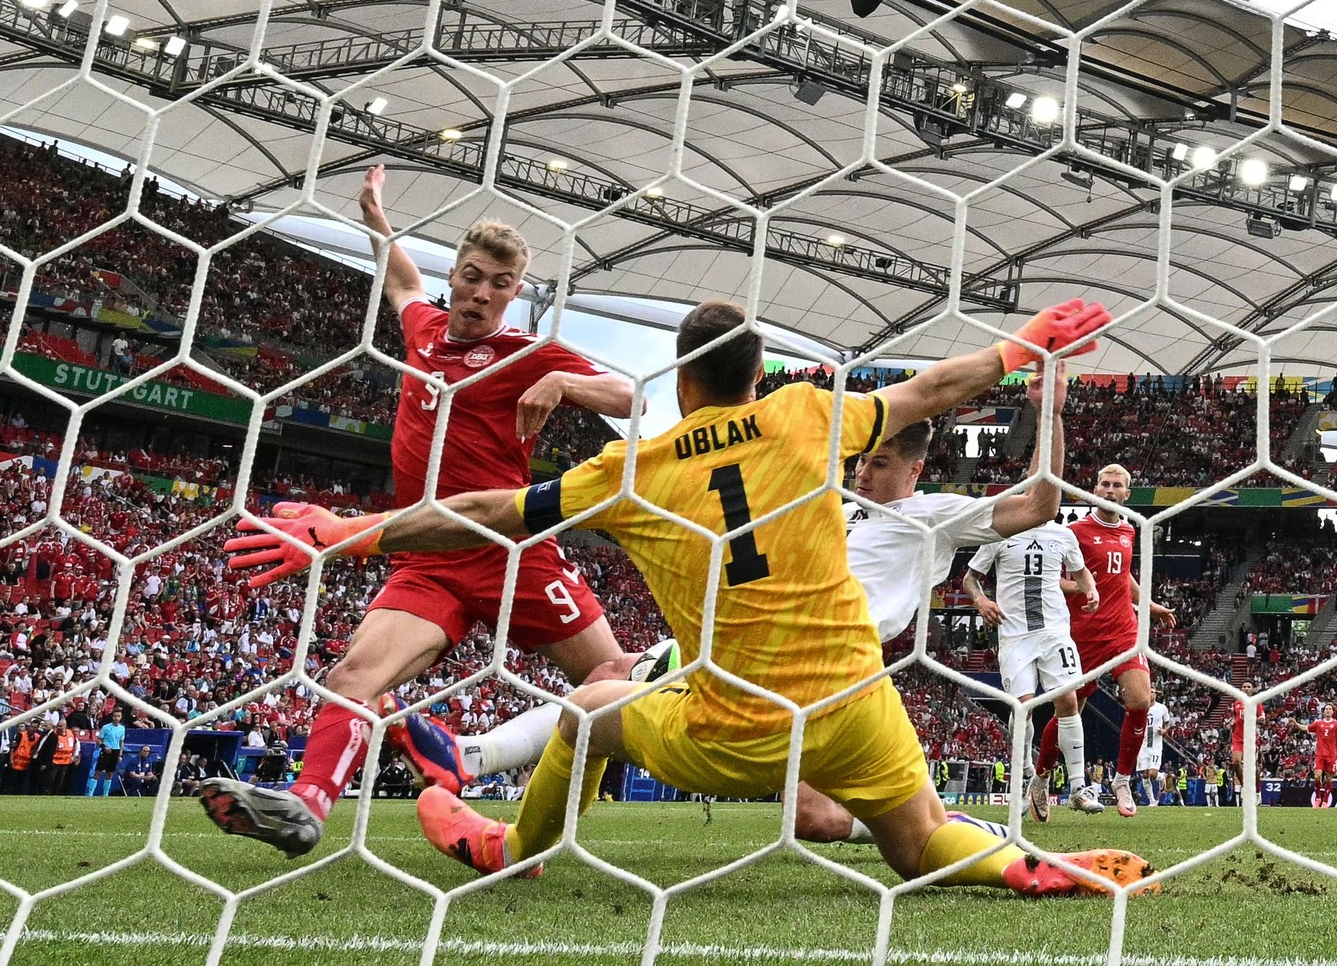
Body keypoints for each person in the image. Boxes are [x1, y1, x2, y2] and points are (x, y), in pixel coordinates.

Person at [228, 297, 1155, 896]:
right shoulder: (808, 415)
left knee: (592, 706)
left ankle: (516, 847)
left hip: (738, 723)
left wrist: (349, 534)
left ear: (679, 382)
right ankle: (1030, 866)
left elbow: (486, 512)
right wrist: (1025, 346)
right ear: (759, 377)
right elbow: (934, 386)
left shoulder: (631, 471)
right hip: (857, 703)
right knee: (914, 847)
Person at [385, 362, 1080, 846]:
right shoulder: (825, 499)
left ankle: (946, 829)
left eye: (881, 465)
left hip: (828, 665)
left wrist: (1047, 411)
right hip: (750, 641)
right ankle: (471, 758)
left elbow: (1041, 504)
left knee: (811, 817)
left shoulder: (936, 514)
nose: (864, 472)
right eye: (862, 461)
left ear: (916, 471)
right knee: (606, 682)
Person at [199, 165, 641, 857]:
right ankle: (305, 807)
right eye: (472, 276)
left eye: (500, 285)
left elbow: (633, 398)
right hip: (428, 554)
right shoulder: (425, 331)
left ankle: (532, 815)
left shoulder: (526, 354)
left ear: (515, 294)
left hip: (512, 553)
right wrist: (378, 219)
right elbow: (402, 280)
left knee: (612, 682)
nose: (482, 293)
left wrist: (561, 381)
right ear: (457, 275)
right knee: (352, 677)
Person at [1031, 464, 1176, 819]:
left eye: (1117, 486)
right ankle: (1041, 778)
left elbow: (1123, 576)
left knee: (1140, 700)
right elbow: (1052, 579)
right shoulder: (1073, 533)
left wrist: (1150, 606)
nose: (1109, 490)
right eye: (1104, 484)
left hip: (1123, 631)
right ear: (1094, 489)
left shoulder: (1128, 530)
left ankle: (1122, 779)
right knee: (1068, 713)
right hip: (1081, 635)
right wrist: (1083, 586)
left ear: (1127, 494)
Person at [964, 507, 1101, 818]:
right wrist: (980, 600)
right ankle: (1026, 772)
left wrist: (1091, 589)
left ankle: (1078, 787)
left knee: (1068, 698)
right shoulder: (1000, 533)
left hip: (1055, 633)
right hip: (1014, 635)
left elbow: (1080, 572)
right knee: (1023, 705)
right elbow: (971, 578)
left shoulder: (1063, 535)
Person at [1293, 704, 1337, 809]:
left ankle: (1325, 800)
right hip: (1320, 754)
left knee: (1329, 778)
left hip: (1331, 755)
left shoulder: (1336, 724)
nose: (1328, 711)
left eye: (1330, 709)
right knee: (1317, 776)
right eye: (1326, 709)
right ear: (1324, 711)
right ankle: (1318, 798)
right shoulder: (1318, 723)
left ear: (1333, 711)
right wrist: (1295, 723)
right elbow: (1305, 728)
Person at [1228, 680, 1264, 803]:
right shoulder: (1236, 704)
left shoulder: (1256, 703)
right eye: (1244, 686)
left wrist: (1251, 717)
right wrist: (1231, 723)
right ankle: (1244, 786)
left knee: (1255, 769)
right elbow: (1235, 719)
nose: (1246, 688)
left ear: (1252, 689)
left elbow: (1262, 720)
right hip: (1237, 738)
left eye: (1249, 686)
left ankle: (1258, 791)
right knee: (1236, 762)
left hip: (1250, 739)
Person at [1135, 693, 1169, 807]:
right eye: (1149, 692)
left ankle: (1162, 776)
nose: (1151, 694)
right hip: (1143, 746)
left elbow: (1168, 723)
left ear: (1156, 694)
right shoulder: (1141, 707)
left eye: (1153, 692)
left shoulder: (1161, 708)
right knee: (1145, 774)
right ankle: (1152, 801)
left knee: (1152, 774)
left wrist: (1164, 731)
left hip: (1155, 746)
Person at [89, 709, 125, 797]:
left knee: (110, 773)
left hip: (115, 751)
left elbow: (121, 741)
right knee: (98, 772)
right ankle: (90, 794)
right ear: (112, 717)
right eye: (115, 716)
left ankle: (105, 795)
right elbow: (98, 740)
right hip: (106, 751)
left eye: (118, 716)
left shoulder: (122, 728)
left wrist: (120, 754)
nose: (116, 718)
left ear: (121, 717)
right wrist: (104, 747)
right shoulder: (106, 727)